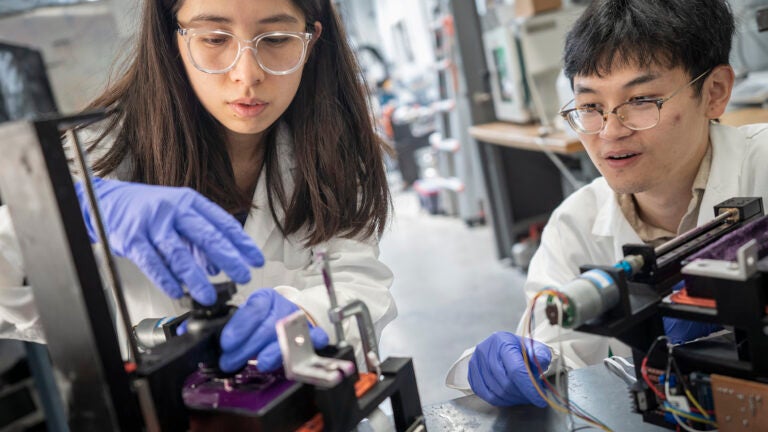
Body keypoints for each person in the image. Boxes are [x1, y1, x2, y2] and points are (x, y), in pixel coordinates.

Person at [0, 0, 396, 376]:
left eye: (275, 40)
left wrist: (310, 313)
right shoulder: (94, 156)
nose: (247, 73)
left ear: (310, 42)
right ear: (174, 38)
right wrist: (68, 212)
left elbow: (357, 280)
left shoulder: (330, 151)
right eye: (214, 39)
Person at [446, 0, 768, 407]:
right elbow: (557, 353)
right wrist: (518, 364)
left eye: (641, 100)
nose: (611, 132)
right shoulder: (575, 225)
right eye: (591, 107)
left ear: (715, 92)